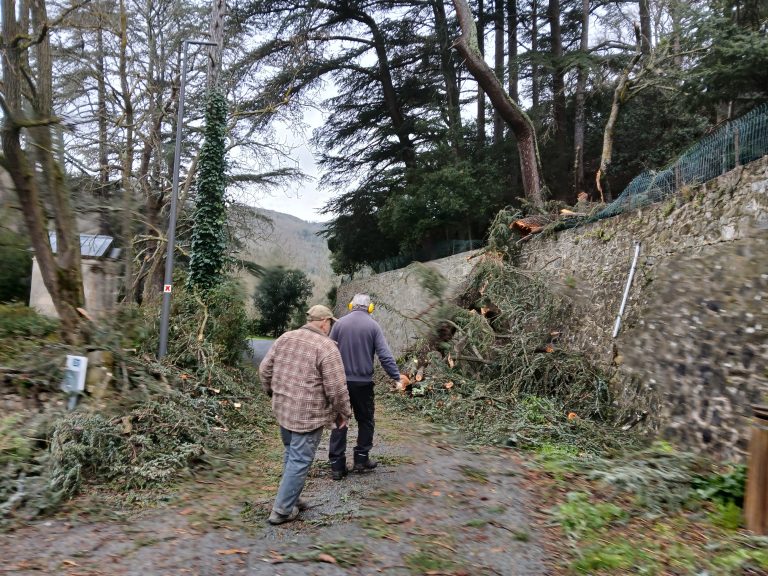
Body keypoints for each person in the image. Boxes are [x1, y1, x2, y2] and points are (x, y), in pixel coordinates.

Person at [259, 304, 352, 525]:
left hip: (283, 410)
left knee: (292, 454)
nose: (330, 327)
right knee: (300, 459)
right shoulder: (326, 347)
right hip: (307, 415)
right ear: (324, 322)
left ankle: (292, 497)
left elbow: (264, 370)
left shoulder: (285, 338)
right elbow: (337, 388)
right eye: (330, 323)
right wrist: (344, 412)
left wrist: (272, 393)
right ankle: (281, 511)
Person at [328, 293, 401, 480]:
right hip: (363, 384)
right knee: (366, 420)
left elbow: (327, 352)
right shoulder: (373, 326)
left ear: (352, 305)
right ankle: (361, 459)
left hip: (341, 383)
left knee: (339, 421)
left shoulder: (339, 324)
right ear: (370, 308)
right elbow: (385, 355)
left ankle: (337, 466)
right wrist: (396, 376)